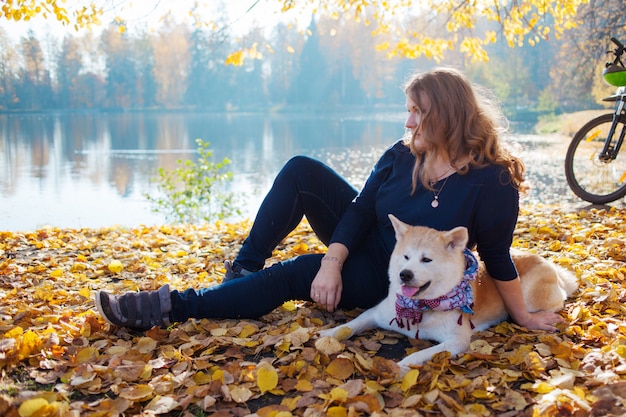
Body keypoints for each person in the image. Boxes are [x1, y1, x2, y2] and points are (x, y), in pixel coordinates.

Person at [96, 67, 564, 333]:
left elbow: (498, 256)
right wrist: (334, 261)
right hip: (369, 238)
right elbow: (361, 208)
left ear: (445, 116)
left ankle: (172, 306)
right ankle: (242, 272)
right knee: (302, 170)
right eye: (408, 111)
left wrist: (522, 316)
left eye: (417, 112)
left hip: (401, 274)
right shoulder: (402, 156)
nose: (408, 123)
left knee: (298, 269)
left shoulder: (491, 180)